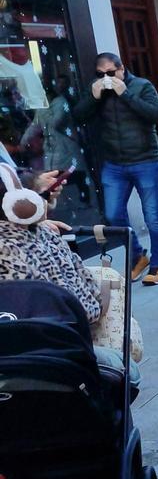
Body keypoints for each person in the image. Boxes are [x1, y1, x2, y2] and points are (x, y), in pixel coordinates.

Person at [0, 162, 141, 385]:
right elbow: (86, 310)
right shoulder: (45, 241)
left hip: (9, 362)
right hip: (58, 355)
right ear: (25, 205)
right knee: (127, 372)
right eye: (43, 196)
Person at [72, 53, 158, 285]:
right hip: (114, 164)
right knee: (113, 215)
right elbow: (77, 117)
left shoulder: (142, 86)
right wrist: (93, 98)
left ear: (122, 69)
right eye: (100, 74)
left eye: (110, 73)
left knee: (152, 217)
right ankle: (138, 256)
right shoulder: (96, 91)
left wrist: (124, 93)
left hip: (145, 160)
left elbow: (156, 115)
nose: (106, 78)